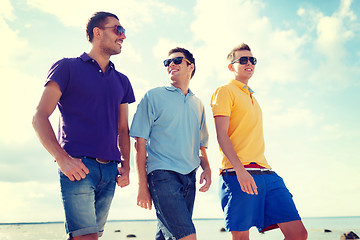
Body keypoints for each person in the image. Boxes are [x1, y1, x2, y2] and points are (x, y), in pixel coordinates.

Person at [32, 12, 135, 240]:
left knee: (89, 237)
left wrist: (127, 166)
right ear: (98, 33)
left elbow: (122, 130)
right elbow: (39, 117)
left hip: (110, 171)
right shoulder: (66, 68)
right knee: (87, 237)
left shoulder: (122, 81)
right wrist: (62, 158)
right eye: (118, 29)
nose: (123, 35)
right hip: (78, 167)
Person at [210, 43, 308, 240]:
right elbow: (222, 135)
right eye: (243, 60)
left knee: (298, 234)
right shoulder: (224, 91)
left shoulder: (253, 96)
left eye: (252, 60)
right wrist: (240, 170)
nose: (249, 63)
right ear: (231, 66)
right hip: (238, 173)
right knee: (241, 238)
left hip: (267, 173)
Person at [129, 47, 211, 240]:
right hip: (162, 175)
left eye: (176, 61)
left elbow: (201, 144)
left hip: (190, 176)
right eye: (167, 63)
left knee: (167, 236)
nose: (170, 65)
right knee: (187, 236)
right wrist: (142, 186)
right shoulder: (153, 96)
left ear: (190, 66)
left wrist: (206, 167)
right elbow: (139, 143)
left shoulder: (197, 104)